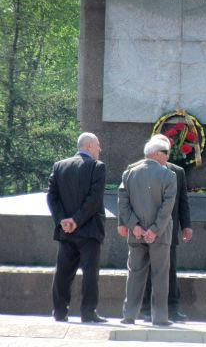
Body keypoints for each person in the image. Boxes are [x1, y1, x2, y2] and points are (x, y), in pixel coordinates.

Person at [120, 134, 193, 323]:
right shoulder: (168, 175)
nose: (168, 157)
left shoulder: (129, 173)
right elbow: (167, 208)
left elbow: (123, 203)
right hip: (160, 235)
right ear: (156, 154)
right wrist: (154, 230)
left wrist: (134, 226)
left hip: (135, 235)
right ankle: (160, 317)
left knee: (134, 275)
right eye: (166, 153)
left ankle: (129, 316)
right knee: (160, 275)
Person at [47, 132, 107, 323]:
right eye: (98, 145)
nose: (100, 149)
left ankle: (59, 312)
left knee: (63, 272)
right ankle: (88, 313)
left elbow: (52, 197)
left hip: (66, 231)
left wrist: (63, 220)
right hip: (89, 230)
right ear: (89, 146)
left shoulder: (59, 166)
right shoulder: (97, 167)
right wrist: (76, 220)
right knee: (90, 273)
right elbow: (94, 199)